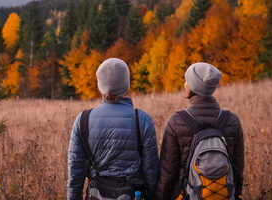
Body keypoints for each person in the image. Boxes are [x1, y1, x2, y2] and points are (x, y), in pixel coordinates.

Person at [67, 58, 160, 200]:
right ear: (126, 85)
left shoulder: (83, 120)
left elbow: (75, 173)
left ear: (100, 86)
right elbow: (151, 171)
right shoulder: (142, 119)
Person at [156, 62, 244, 200]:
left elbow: (168, 173)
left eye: (187, 80)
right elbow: (238, 169)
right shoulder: (232, 121)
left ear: (192, 86)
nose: (185, 83)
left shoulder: (176, 121)